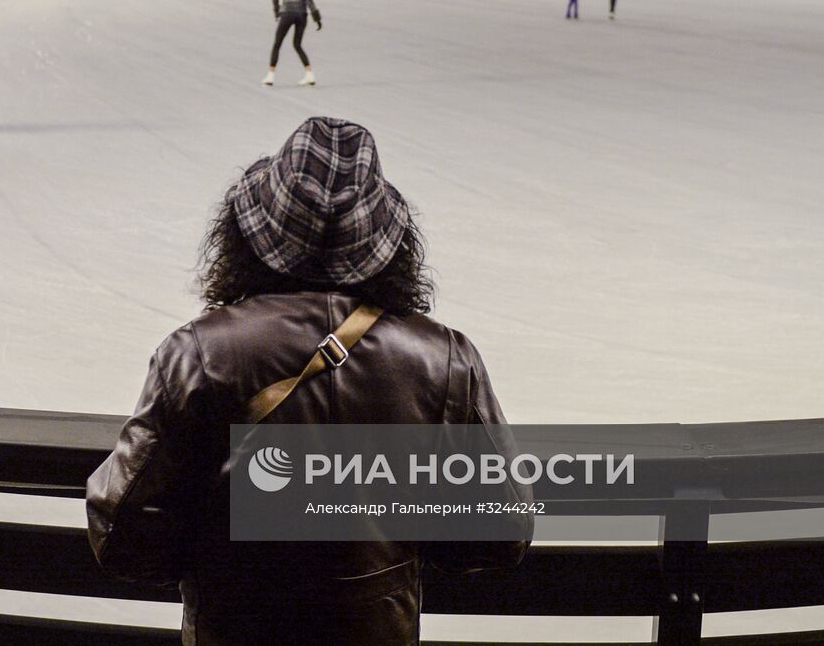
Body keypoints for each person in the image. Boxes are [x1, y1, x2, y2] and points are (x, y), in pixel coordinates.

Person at [87, 116, 533, 646]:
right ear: (390, 247)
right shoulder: (444, 359)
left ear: (247, 237)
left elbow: (125, 540)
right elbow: (498, 533)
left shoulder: (198, 354)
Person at [262, 0, 321, 87]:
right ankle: (309, 74)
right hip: (302, 14)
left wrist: (277, 11)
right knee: (297, 44)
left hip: (287, 13)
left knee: (277, 44)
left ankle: (270, 76)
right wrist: (316, 17)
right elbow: (309, 1)